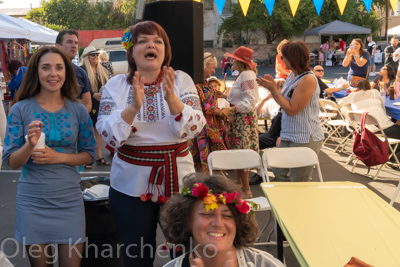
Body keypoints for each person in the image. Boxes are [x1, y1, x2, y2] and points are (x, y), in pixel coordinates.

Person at [96, 21, 206, 266]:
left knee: (186, 252)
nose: (151, 45)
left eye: (157, 41)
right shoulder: (115, 86)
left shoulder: (181, 81)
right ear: (132, 52)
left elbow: (196, 127)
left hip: (178, 181)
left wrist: (173, 101)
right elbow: (108, 134)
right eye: (143, 41)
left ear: (165, 50)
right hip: (129, 185)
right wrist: (134, 107)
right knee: (136, 254)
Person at [2, 46, 96, 267]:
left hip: (69, 201)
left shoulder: (79, 110)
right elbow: (11, 162)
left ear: (67, 72)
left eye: (59, 68)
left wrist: (58, 157)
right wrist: (29, 145)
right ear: (36, 72)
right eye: (46, 68)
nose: (53, 73)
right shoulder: (20, 110)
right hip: (32, 202)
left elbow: (89, 155)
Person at [161, 174, 285, 267]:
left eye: (227, 216)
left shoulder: (265, 264)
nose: (218, 223)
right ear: (187, 221)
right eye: (207, 214)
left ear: (237, 223)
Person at [256, 40, 324, 182]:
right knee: (278, 170)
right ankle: (287, 200)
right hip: (289, 134)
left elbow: (292, 109)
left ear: (293, 58)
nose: (281, 59)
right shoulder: (292, 75)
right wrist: (273, 89)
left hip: (305, 136)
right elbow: (284, 103)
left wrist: (274, 91)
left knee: (299, 180)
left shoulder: (308, 80)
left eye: (283, 56)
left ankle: (298, 203)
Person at [217, 46, 259, 198]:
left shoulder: (246, 75)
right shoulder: (244, 74)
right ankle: (239, 185)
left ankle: (246, 189)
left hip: (243, 119)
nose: (231, 60)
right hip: (240, 118)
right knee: (238, 151)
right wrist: (222, 96)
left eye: (234, 59)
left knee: (241, 152)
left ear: (241, 61)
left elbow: (250, 102)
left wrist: (231, 110)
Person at [189, 53, 230, 173]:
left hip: (213, 126)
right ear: (204, 66)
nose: (213, 70)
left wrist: (223, 111)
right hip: (203, 128)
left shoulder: (205, 83)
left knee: (214, 159)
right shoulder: (195, 84)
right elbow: (202, 106)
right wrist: (220, 112)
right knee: (203, 159)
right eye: (212, 67)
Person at [80, 46, 110, 168]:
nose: (95, 57)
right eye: (93, 55)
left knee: (98, 131)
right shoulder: (82, 70)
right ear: (87, 57)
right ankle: (86, 158)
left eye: (97, 55)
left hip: (99, 104)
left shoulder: (102, 70)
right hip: (87, 104)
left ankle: (98, 156)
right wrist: (93, 95)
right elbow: (79, 90)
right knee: (87, 131)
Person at [55, 29, 92, 113]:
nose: (74, 46)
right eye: (69, 42)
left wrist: (74, 117)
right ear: (57, 46)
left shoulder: (81, 73)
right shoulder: (45, 72)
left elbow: (88, 104)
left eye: (76, 43)